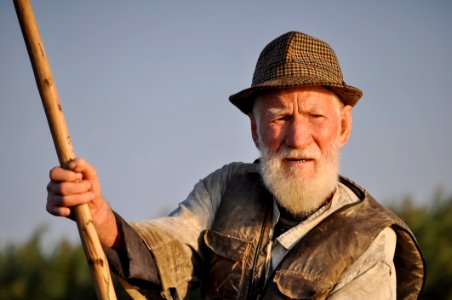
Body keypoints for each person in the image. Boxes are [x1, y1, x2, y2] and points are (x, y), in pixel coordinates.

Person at [46, 31, 425, 299]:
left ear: (343, 127)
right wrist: (99, 216)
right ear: (255, 131)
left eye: (314, 116)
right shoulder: (227, 188)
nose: (297, 138)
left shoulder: (372, 240)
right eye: (279, 118)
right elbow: (169, 248)